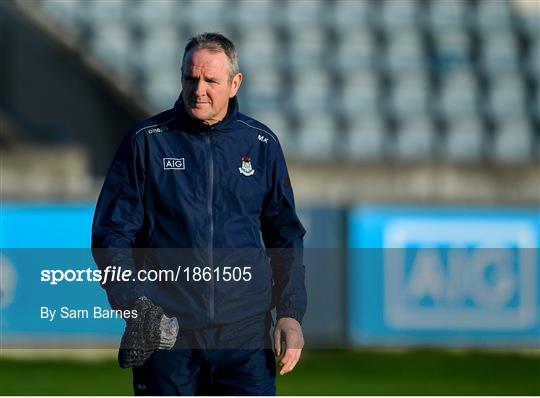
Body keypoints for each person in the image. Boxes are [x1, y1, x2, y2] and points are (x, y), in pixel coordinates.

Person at [92, 32, 306, 395]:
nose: (199, 89)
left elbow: (285, 235)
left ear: (235, 84)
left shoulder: (261, 144)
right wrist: (135, 306)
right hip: (167, 333)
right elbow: (112, 235)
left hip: (245, 335)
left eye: (211, 80)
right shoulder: (147, 141)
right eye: (191, 78)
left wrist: (289, 313)